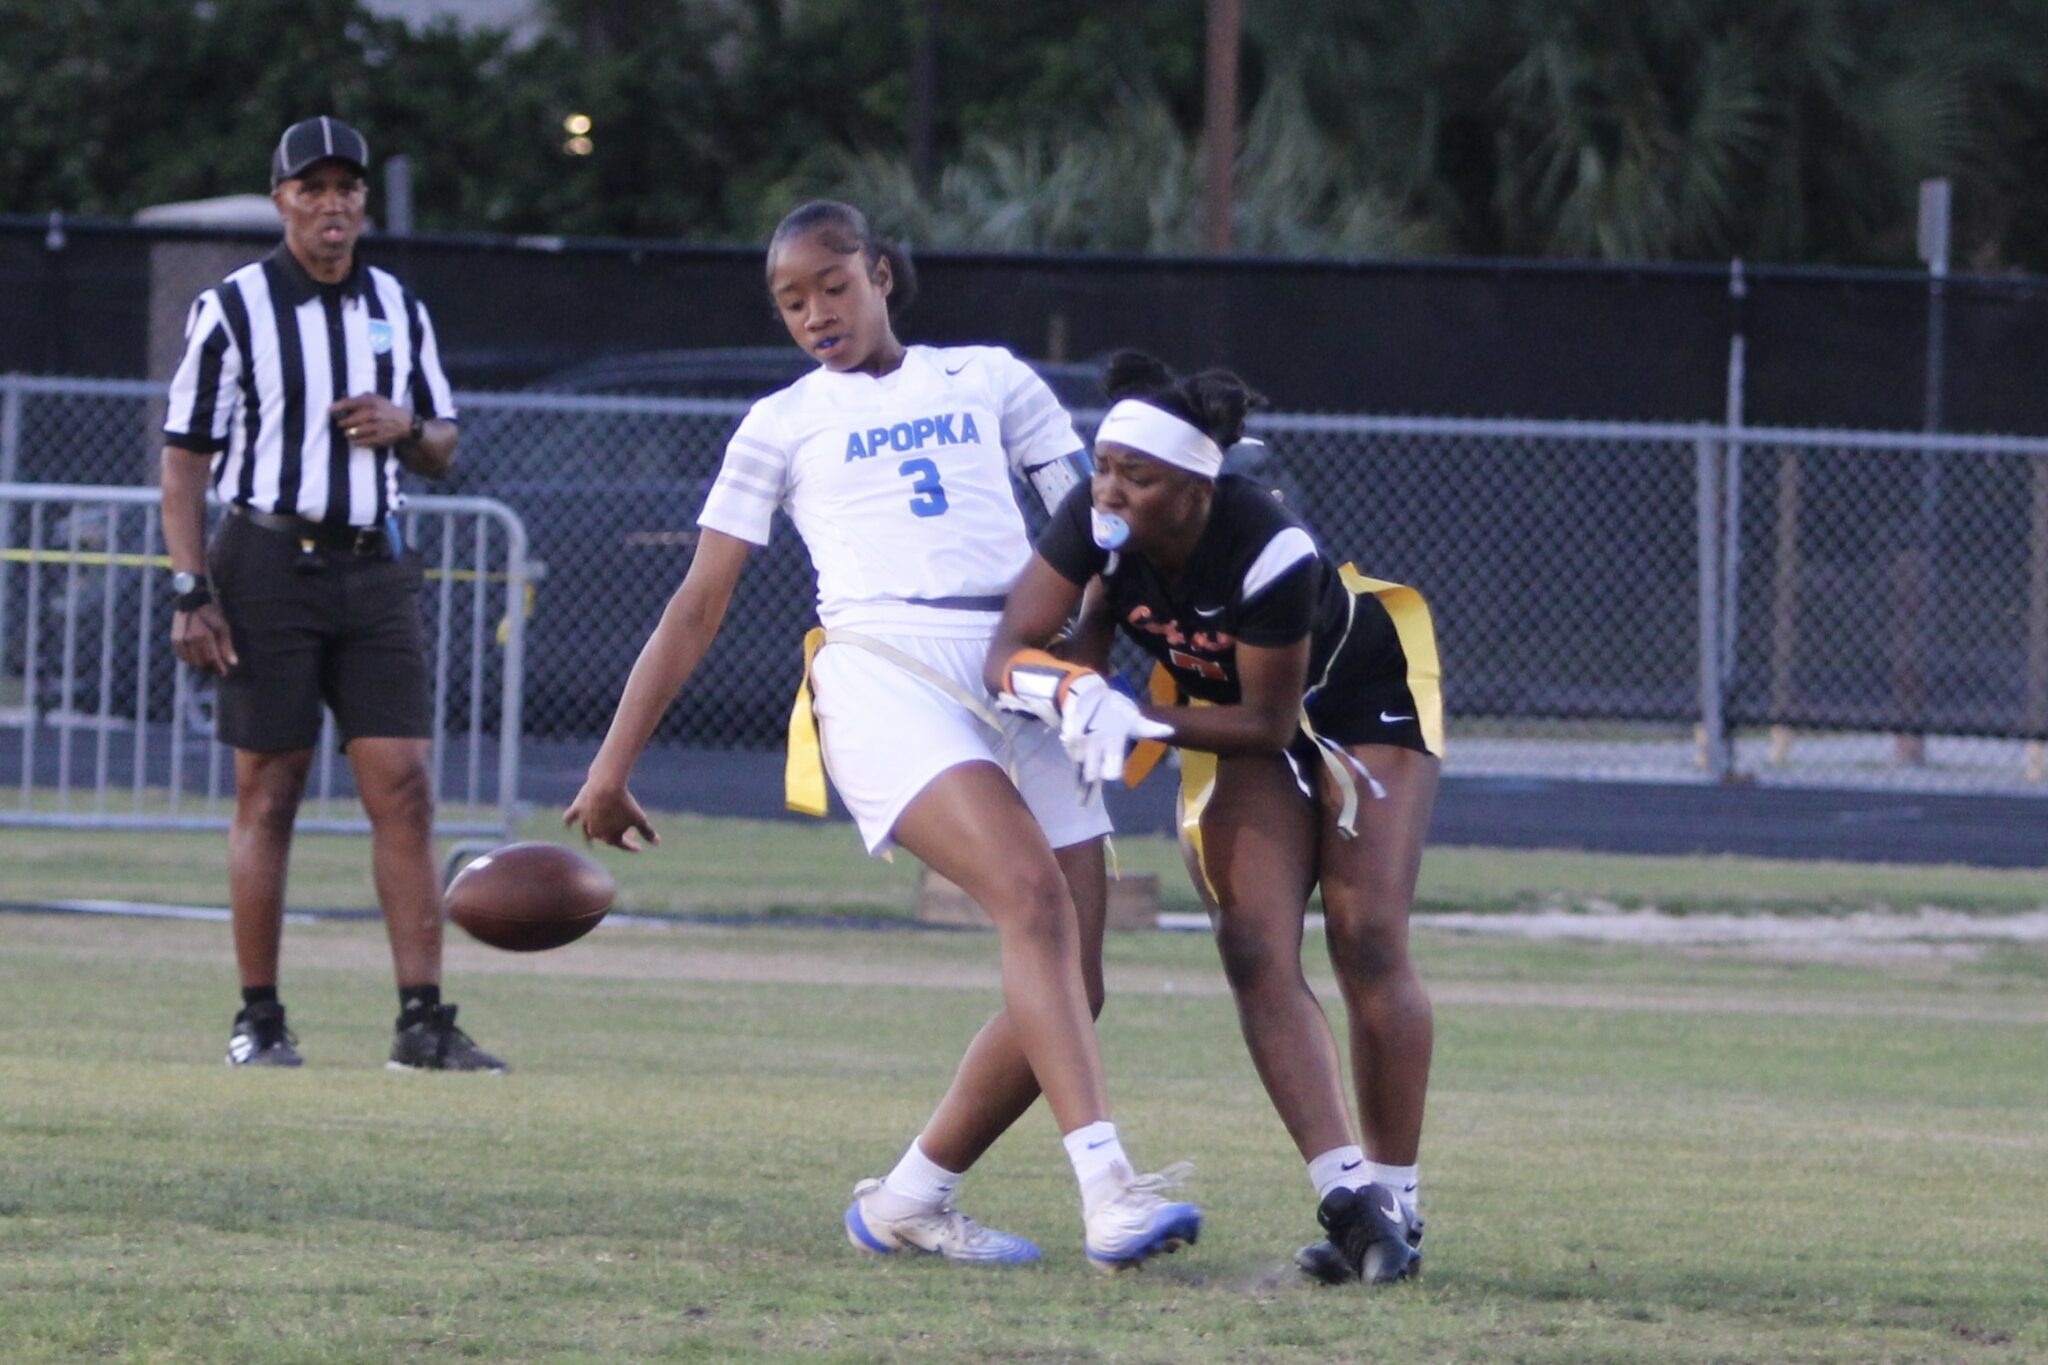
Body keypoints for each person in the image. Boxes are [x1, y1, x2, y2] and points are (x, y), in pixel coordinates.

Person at [565, 201, 1199, 1269]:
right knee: (1029, 899)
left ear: (883, 274)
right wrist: (610, 764)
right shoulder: (777, 422)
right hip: (882, 670)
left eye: (832, 285)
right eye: (790, 299)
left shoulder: (989, 375)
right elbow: (698, 601)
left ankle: (907, 1199)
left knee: (1074, 979)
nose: (814, 312)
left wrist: (1083, 663)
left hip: (1017, 660)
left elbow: (1098, 533)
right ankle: (1110, 1192)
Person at [987, 350, 1442, 1284]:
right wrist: (1073, 688)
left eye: (1134, 474)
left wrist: (1137, 715)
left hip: (1352, 702)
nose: (1105, 486)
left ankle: (1400, 1197)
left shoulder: (1270, 547)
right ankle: (1350, 1198)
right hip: (1223, 715)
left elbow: (1270, 722)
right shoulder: (1094, 517)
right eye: (1103, 462)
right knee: (1251, 942)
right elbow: (1018, 645)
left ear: (1198, 486)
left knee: (1366, 934)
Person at [160, 117, 504, 1073]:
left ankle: (422, 1021)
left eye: (346, 187)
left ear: (362, 202)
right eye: (311, 187)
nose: (332, 203)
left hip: (376, 563)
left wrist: (404, 426)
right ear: (281, 201)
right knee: (268, 789)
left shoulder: (397, 305)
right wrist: (191, 589)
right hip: (267, 561)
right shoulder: (230, 309)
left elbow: (443, 443)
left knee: (404, 786)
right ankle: (260, 1017)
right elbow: (184, 461)